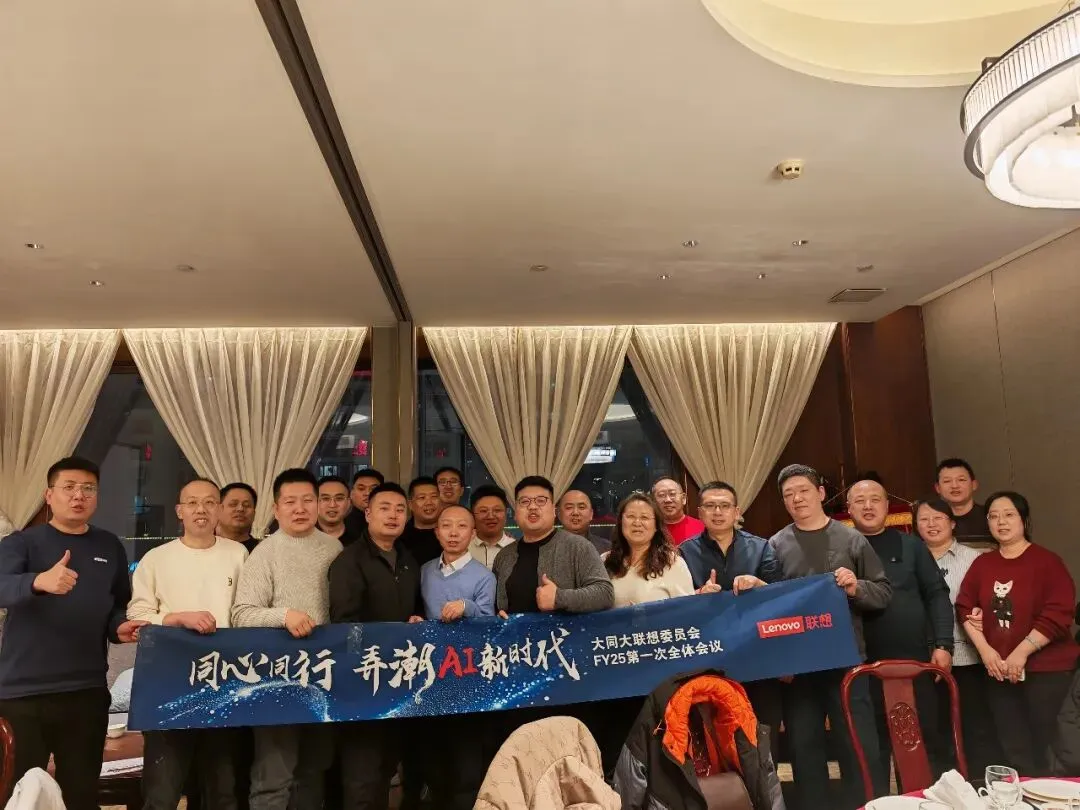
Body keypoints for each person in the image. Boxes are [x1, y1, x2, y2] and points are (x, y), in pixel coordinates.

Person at [0, 457, 145, 810]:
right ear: (49, 495)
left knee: (81, 793)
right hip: (23, 694)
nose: (79, 495)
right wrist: (38, 581)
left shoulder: (109, 546)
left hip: (86, 692)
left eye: (88, 488)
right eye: (69, 487)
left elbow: (117, 605)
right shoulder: (21, 543)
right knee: (23, 795)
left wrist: (120, 626)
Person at [768, 464, 891, 810]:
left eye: (803, 491)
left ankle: (865, 806)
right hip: (799, 667)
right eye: (789, 494)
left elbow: (883, 592)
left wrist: (855, 586)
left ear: (821, 493)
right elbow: (771, 608)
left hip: (847, 661)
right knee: (804, 748)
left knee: (857, 744)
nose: (797, 499)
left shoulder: (852, 539)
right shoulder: (775, 545)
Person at [128, 478, 248, 810]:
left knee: (222, 789)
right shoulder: (156, 558)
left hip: (225, 681)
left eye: (209, 502)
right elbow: (137, 616)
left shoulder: (238, 554)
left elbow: (247, 612)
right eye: (192, 502)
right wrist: (177, 618)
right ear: (179, 511)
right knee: (163, 789)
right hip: (170, 682)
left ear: (220, 510)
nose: (201, 509)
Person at [231, 468, 343, 810]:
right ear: (276, 509)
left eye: (308, 500)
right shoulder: (265, 552)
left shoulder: (334, 548)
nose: (300, 508)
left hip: (323, 679)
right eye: (290, 501)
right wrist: (284, 616)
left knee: (314, 770)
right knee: (273, 778)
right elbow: (242, 615)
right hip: (277, 680)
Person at [955, 491, 1079, 776]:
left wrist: (1021, 652)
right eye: (993, 516)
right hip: (999, 671)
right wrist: (986, 652)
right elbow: (964, 607)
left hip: (1047, 672)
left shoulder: (1048, 562)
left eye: (1009, 515)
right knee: (1012, 746)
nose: (1001, 522)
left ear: (1024, 520)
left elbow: (1059, 613)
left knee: (1049, 749)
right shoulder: (983, 564)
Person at [848, 477, 953, 787]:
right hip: (860, 667)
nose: (868, 506)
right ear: (849, 509)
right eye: (860, 501)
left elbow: (937, 595)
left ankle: (924, 801)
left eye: (875, 499)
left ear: (887, 506)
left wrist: (944, 644)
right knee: (871, 748)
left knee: (921, 742)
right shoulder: (841, 547)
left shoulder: (911, 545)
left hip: (913, 662)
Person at [328, 482, 423, 810]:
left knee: (386, 767)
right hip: (363, 680)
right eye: (385, 508)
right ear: (367, 514)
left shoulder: (408, 559)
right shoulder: (349, 560)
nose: (393, 515)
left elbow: (415, 610)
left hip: (399, 680)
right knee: (362, 774)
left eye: (400, 509)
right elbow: (345, 624)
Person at [677, 480, 783, 763]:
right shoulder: (683, 553)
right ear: (700, 512)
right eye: (710, 506)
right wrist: (698, 595)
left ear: (737, 512)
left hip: (757, 654)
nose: (717, 512)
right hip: (708, 659)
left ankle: (765, 785)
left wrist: (758, 584)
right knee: (715, 736)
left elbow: (782, 598)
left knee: (761, 731)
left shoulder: (761, 548)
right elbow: (676, 605)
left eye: (724, 506)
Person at [914, 497, 1003, 779]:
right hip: (925, 658)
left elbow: (992, 599)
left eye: (938, 518)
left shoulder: (974, 559)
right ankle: (942, 785)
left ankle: (976, 783)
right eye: (924, 519)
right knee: (934, 727)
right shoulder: (911, 558)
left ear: (952, 523)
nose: (931, 524)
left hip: (967, 655)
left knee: (974, 726)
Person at [419, 505, 496, 809]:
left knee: (467, 753)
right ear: (436, 532)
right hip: (431, 674)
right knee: (434, 752)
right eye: (446, 526)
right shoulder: (425, 570)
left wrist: (467, 607)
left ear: (473, 533)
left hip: (467, 673)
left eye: (461, 526)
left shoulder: (484, 576)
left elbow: (490, 623)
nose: (453, 533)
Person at [492, 476, 614, 616]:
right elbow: (496, 606)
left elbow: (605, 594)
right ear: (515, 513)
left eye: (541, 500)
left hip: (565, 631)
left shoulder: (579, 547)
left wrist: (559, 598)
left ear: (554, 510)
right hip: (515, 631)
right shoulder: (504, 556)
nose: (532, 507)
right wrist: (498, 617)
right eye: (524, 501)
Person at [603, 492, 693, 606]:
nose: (637, 523)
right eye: (631, 516)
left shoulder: (673, 563)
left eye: (644, 517)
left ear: (656, 526)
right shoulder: (605, 560)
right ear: (621, 522)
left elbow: (687, 609)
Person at [934, 459, 992, 544]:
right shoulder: (931, 522)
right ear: (937, 488)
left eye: (961, 480)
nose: (954, 486)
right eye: (947, 481)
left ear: (974, 485)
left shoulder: (991, 517)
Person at [399, 476, 443, 567]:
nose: (429, 502)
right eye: (422, 498)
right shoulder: (399, 538)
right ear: (410, 505)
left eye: (434, 497)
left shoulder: (451, 534)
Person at [469, 485, 515, 570]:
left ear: (506, 513)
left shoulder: (518, 550)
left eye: (497, 510)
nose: (490, 516)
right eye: (483, 511)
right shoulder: (463, 548)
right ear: (472, 514)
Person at [650, 477, 704, 546]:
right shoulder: (649, 531)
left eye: (672, 494)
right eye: (661, 495)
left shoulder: (702, 528)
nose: (668, 500)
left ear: (683, 498)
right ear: (654, 501)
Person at [558, 490, 610, 555]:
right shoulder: (547, 547)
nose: (575, 512)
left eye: (581, 507)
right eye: (569, 507)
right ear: (559, 514)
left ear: (591, 514)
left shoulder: (607, 549)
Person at [317, 475, 359, 547]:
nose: (332, 505)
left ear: (349, 503)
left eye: (339, 498)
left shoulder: (360, 538)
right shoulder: (302, 536)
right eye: (325, 498)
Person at [218, 483, 259, 553]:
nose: (240, 509)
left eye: (246, 505)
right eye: (233, 504)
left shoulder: (263, 550)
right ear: (219, 510)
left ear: (254, 514)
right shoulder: (203, 547)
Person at [344, 468, 385, 538]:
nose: (367, 493)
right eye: (361, 489)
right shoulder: (342, 525)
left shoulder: (391, 521)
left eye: (374, 489)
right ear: (351, 493)